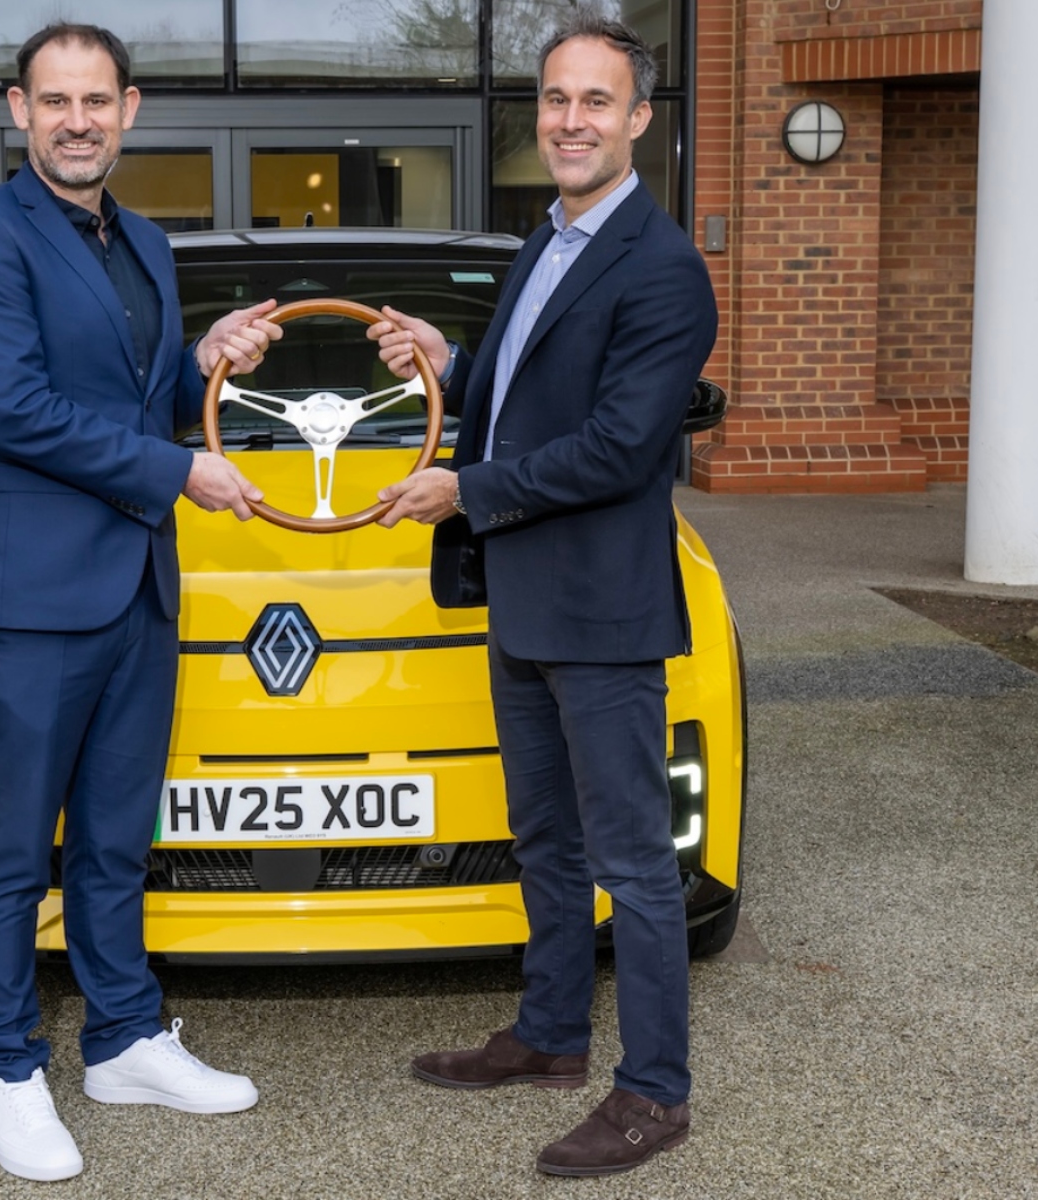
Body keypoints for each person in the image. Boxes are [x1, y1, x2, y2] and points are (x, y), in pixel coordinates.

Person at [0, 22, 282, 1183]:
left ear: (129, 109)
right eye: (54, 101)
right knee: (12, 848)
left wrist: (208, 362)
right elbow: (16, 410)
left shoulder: (145, 241)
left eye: (95, 100)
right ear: (19, 111)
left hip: (137, 585)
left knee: (117, 839)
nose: (76, 121)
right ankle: (5, 1074)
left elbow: (143, 395)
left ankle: (124, 1040)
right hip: (34, 596)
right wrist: (181, 472)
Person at [367, 11, 719, 1180]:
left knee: (635, 865)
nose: (571, 120)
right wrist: (446, 361)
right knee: (546, 840)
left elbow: (619, 449)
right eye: (556, 99)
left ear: (638, 119)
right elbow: (526, 400)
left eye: (595, 101)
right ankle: (552, 1034)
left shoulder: (663, 268)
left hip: (601, 613)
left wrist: (464, 491)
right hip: (523, 599)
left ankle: (655, 1093)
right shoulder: (547, 241)